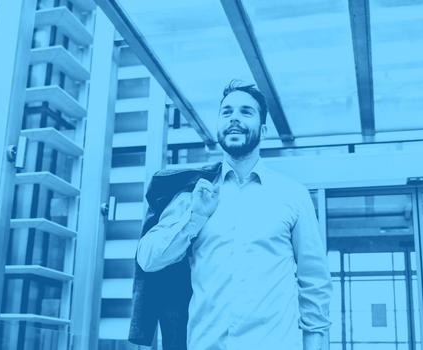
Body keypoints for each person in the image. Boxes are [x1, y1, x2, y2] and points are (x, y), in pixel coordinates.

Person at [136, 80, 331, 350]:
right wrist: (195, 218)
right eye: (227, 112)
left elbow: (314, 282)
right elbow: (148, 259)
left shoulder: (293, 195)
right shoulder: (192, 193)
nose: (234, 119)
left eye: (245, 112)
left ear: (263, 129)